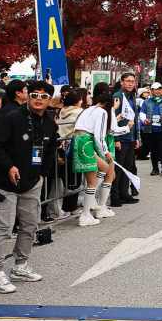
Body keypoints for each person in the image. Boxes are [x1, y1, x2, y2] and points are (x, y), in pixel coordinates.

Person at [0, 79, 58, 294]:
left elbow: (51, 150)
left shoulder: (51, 123)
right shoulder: (13, 118)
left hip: (33, 182)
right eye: (34, 94)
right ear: (27, 96)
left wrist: (43, 174)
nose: (38, 99)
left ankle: (20, 266)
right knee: (4, 228)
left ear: (50, 100)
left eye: (44, 96)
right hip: (6, 183)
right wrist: (8, 166)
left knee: (30, 225)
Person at [72, 90, 117, 226]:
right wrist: (105, 151)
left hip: (80, 140)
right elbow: (99, 135)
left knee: (104, 167)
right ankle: (85, 214)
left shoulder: (89, 109)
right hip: (86, 141)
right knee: (91, 182)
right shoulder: (102, 112)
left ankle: (90, 203)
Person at [110, 73, 141, 205]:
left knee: (128, 166)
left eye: (132, 81)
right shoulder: (118, 97)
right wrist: (116, 138)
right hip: (121, 137)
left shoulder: (132, 97)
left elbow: (135, 119)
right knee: (118, 167)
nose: (130, 84)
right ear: (121, 82)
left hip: (131, 136)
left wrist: (137, 137)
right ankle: (115, 195)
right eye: (128, 81)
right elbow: (113, 119)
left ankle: (124, 192)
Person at [140, 82, 162, 177]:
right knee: (153, 150)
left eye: (160, 89)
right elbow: (142, 113)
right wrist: (144, 119)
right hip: (150, 129)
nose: (158, 91)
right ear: (151, 91)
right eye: (156, 89)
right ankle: (155, 169)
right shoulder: (146, 102)